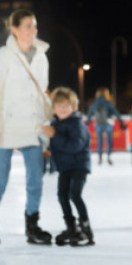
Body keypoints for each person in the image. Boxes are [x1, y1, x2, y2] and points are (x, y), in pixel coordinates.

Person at [0, 8, 53, 250]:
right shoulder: (3, 56)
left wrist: (46, 123)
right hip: (6, 125)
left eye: (35, 25)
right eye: (28, 26)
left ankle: (32, 225)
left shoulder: (41, 56)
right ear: (15, 29)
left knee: (35, 179)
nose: (34, 30)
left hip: (32, 125)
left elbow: (42, 93)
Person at [41, 87, 94, 246]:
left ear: (74, 107)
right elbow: (57, 144)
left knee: (74, 194)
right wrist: (49, 150)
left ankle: (85, 229)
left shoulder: (76, 124)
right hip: (64, 167)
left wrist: (54, 135)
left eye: (66, 105)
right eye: (59, 105)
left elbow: (75, 146)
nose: (63, 109)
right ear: (53, 108)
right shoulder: (55, 123)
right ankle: (71, 227)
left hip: (78, 165)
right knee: (62, 196)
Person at [85, 87, 125, 165]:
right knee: (109, 140)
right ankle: (109, 157)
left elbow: (90, 114)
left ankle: (100, 157)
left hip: (98, 124)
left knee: (99, 141)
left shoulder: (94, 103)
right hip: (108, 123)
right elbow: (115, 112)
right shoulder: (108, 102)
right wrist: (121, 121)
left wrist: (87, 122)